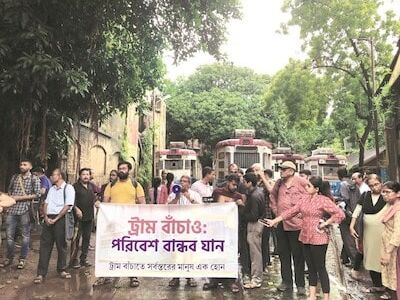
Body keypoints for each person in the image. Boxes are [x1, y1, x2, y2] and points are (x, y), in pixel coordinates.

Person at [262, 176, 344, 300]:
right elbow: (291, 211)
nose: (306, 187)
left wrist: (325, 223)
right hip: (305, 235)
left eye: (309, 186)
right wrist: (275, 220)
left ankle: (326, 297)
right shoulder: (304, 199)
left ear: (316, 189)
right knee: (310, 267)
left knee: (320, 267)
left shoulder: (323, 200)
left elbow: (339, 214)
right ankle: (312, 295)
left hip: (319, 236)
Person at [103, 161, 145, 288]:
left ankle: (133, 276)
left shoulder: (135, 185)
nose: (121, 170)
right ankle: (109, 273)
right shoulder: (111, 185)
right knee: (112, 248)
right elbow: (106, 203)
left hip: (130, 224)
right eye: (120, 168)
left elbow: (142, 204)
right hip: (114, 223)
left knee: (130, 249)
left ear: (129, 170)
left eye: (124, 168)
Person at [269, 161, 307, 295]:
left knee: (298, 256)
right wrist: (275, 210)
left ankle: (300, 284)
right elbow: (272, 196)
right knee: (284, 255)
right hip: (281, 224)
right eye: (281, 169)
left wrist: (304, 212)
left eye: (284, 169)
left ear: (291, 171)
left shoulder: (301, 182)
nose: (281, 171)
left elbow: (310, 195)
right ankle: (286, 282)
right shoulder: (279, 183)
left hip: (297, 226)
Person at [202, 174, 244, 293]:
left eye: (236, 185)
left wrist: (240, 205)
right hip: (216, 228)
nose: (235, 187)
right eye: (233, 184)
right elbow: (211, 206)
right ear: (228, 182)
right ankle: (214, 279)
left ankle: (230, 280)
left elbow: (242, 212)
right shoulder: (217, 192)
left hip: (230, 230)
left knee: (230, 255)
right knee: (216, 254)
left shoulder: (238, 196)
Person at [33, 169, 75, 284]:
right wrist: (46, 217)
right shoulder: (51, 189)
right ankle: (41, 273)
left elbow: (67, 206)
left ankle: (62, 269)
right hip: (49, 218)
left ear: (60, 176)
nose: (51, 177)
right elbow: (46, 203)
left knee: (61, 245)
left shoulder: (68, 188)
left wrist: (56, 219)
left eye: (53, 175)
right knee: (45, 245)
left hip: (61, 218)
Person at [349, 174, 388, 293]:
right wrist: (352, 225)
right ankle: (377, 285)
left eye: (376, 184)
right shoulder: (365, 195)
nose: (374, 187)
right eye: (371, 185)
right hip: (368, 234)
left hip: (383, 233)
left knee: (383, 257)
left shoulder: (387, 196)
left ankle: (387, 285)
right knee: (371, 257)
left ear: (381, 183)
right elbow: (357, 211)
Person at [0, 159, 41, 269]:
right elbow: (10, 192)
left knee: (25, 236)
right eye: (21, 164)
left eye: (25, 164)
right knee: (9, 236)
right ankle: (9, 258)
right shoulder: (14, 177)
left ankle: (22, 259)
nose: (22, 166)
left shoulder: (34, 179)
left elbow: (37, 195)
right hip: (12, 210)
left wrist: (20, 198)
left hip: (25, 210)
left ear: (30, 167)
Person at [167, 175, 201, 287]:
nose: (182, 183)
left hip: (190, 228)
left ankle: (189, 276)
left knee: (189, 253)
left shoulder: (195, 194)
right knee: (175, 253)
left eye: (185, 181)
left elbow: (201, 209)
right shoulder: (173, 194)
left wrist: (189, 197)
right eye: (181, 181)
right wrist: (177, 198)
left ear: (189, 184)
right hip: (176, 228)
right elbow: (167, 208)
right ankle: (175, 277)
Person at [70, 168, 100, 269]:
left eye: (87, 174)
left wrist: (96, 202)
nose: (86, 176)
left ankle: (84, 259)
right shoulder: (74, 187)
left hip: (89, 216)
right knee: (76, 239)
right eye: (83, 174)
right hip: (78, 218)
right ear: (80, 176)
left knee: (87, 238)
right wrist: (76, 208)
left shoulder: (91, 186)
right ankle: (74, 260)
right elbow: (71, 201)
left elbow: (95, 197)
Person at [241, 172, 265, 289]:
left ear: (249, 183)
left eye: (244, 181)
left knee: (255, 253)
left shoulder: (254, 196)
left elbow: (253, 215)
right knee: (256, 252)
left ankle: (256, 280)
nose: (242, 183)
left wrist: (242, 212)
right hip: (258, 223)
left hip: (254, 225)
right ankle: (256, 277)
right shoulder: (258, 192)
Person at [380, 181, 400, 300]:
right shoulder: (392, 206)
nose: (384, 194)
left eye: (387, 192)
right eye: (383, 192)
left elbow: (398, 233)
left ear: (398, 193)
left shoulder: (398, 210)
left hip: (394, 249)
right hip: (389, 246)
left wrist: (388, 252)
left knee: (396, 277)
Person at [337, 168, 359, 268]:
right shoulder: (353, 183)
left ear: (339, 175)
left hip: (346, 215)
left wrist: (337, 200)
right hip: (355, 213)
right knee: (350, 239)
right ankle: (344, 257)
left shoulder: (342, 184)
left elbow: (345, 199)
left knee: (347, 239)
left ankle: (355, 263)